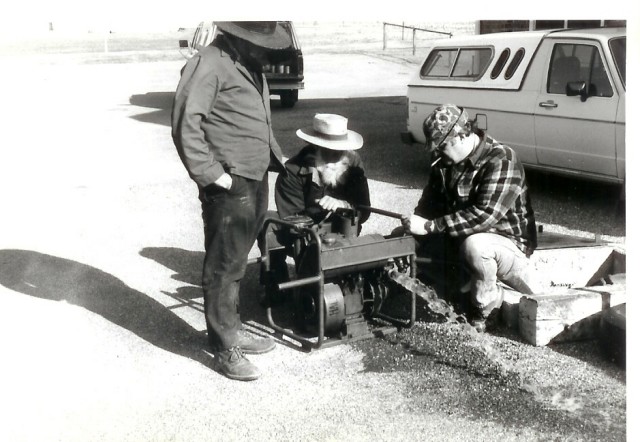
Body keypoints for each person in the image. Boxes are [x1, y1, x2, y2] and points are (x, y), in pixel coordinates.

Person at [171, 22, 289, 381]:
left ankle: (231, 329)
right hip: (229, 181)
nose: (267, 51)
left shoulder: (248, 64)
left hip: (255, 174)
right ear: (240, 37)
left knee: (237, 261)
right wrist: (210, 173)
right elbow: (185, 122)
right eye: (261, 43)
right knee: (223, 265)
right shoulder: (209, 63)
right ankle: (225, 349)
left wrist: (277, 160)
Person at [400, 104, 541, 332]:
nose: (437, 152)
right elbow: (429, 207)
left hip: (507, 246)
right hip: (463, 237)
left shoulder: (501, 159)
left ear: (462, 135)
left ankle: (487, 306)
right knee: (407, 240)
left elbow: (483, 216)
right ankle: (462, 286)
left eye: (442, 146)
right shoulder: (444, 164)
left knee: (476, 247)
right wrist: (413, 226)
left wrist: (428, 226)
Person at [261, 114, 371, 293]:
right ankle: (276, 284)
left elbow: (364, 209)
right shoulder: (292, 171)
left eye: (341, 150)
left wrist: (344, 205)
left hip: (343, 231)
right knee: (267, 224)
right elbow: (290, 218)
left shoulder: (353, 163)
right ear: (315, 148)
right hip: (306, 233)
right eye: (330, 151)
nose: (337, 157)